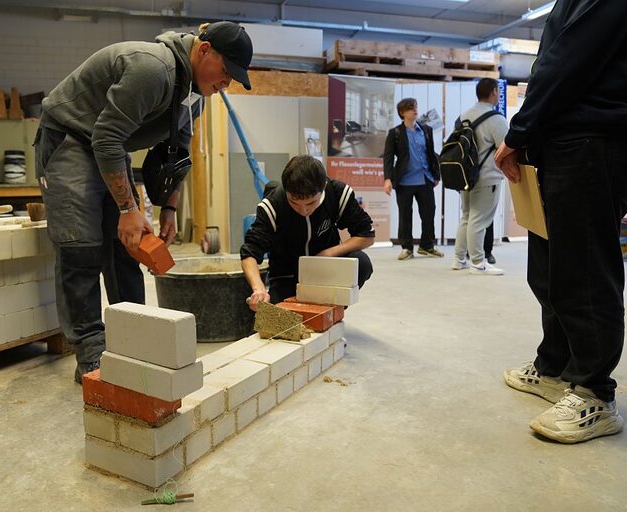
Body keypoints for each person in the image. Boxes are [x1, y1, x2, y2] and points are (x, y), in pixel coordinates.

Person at [35, 21, 253, 382]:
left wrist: (169, 208)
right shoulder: (153, 69)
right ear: (204, 50)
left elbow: (177, 151)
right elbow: (105, 139)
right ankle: (90, 351)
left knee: (127, 246)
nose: (225, 85)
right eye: (226, 73)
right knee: (83, 245)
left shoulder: (194, 93)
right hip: (72, 138)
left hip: (108, 147)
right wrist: (128, 208)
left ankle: (133, 336)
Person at [496, 0, 626, 443]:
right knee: (550, 267)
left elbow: (569, 59)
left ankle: (595, 391)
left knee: (584, 269)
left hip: (592, 136)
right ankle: (556, 364)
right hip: (562, 138)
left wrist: (520, 130)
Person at [241, 155, 375, 309]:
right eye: (294, 203)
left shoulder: (337, 194)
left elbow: (367, 235)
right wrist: (259, 289)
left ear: (323, 187)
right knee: (282, 322)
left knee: (361, 263)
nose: (304, 210)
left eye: (311, 203)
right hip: (288, 274)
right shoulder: (272, 206)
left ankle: (331, 311)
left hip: (325, 269)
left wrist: (329, 253)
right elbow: (249, 252)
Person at [452, 78, 508, 276]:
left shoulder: (464, 116)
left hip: (465, 175)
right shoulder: (495, 118)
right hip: (487, 176)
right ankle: (478, 262)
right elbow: (506, 147)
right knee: (479, 219)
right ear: (494, 92)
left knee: (467, 216)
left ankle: (459, 259)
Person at [383, 98, 443, 261]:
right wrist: (388, 179)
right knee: (405, 216)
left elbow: (431, 154)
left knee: (429, 214)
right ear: (402, 113)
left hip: (425, 179)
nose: (415, 110)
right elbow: (388, 158)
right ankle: (407, 248)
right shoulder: (395, 133)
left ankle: (427, 246)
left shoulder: (426, 130)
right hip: (404, 181)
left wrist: (436, 175)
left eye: (415, 107)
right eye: (410, 108)